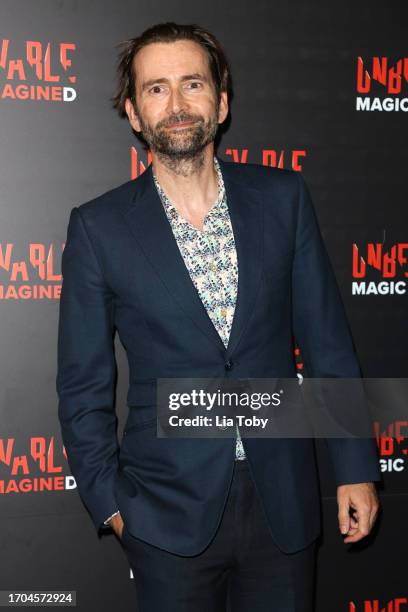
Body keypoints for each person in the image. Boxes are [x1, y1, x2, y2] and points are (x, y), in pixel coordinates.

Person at [56, 22, 381, 611]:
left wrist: (355, 466)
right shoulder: (99, 228)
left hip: (283, 502)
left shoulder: (283, 200)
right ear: (133, 112)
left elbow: (329, 345)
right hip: (164, 513)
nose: (177, 105)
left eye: (193, 84)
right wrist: (112, 505)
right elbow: (83, 385)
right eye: (156, 89)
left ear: (221, 101)